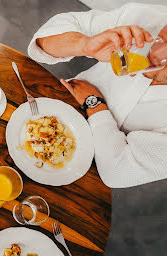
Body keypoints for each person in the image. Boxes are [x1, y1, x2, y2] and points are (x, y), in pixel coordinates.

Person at [27, 3, 167, 188]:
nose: (155, 54)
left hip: (82, 171)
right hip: (49, 107)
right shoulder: (147, 18)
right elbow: (44, 40)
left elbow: (117, 173)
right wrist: (83, 45)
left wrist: (94, 105)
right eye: (163, 38)